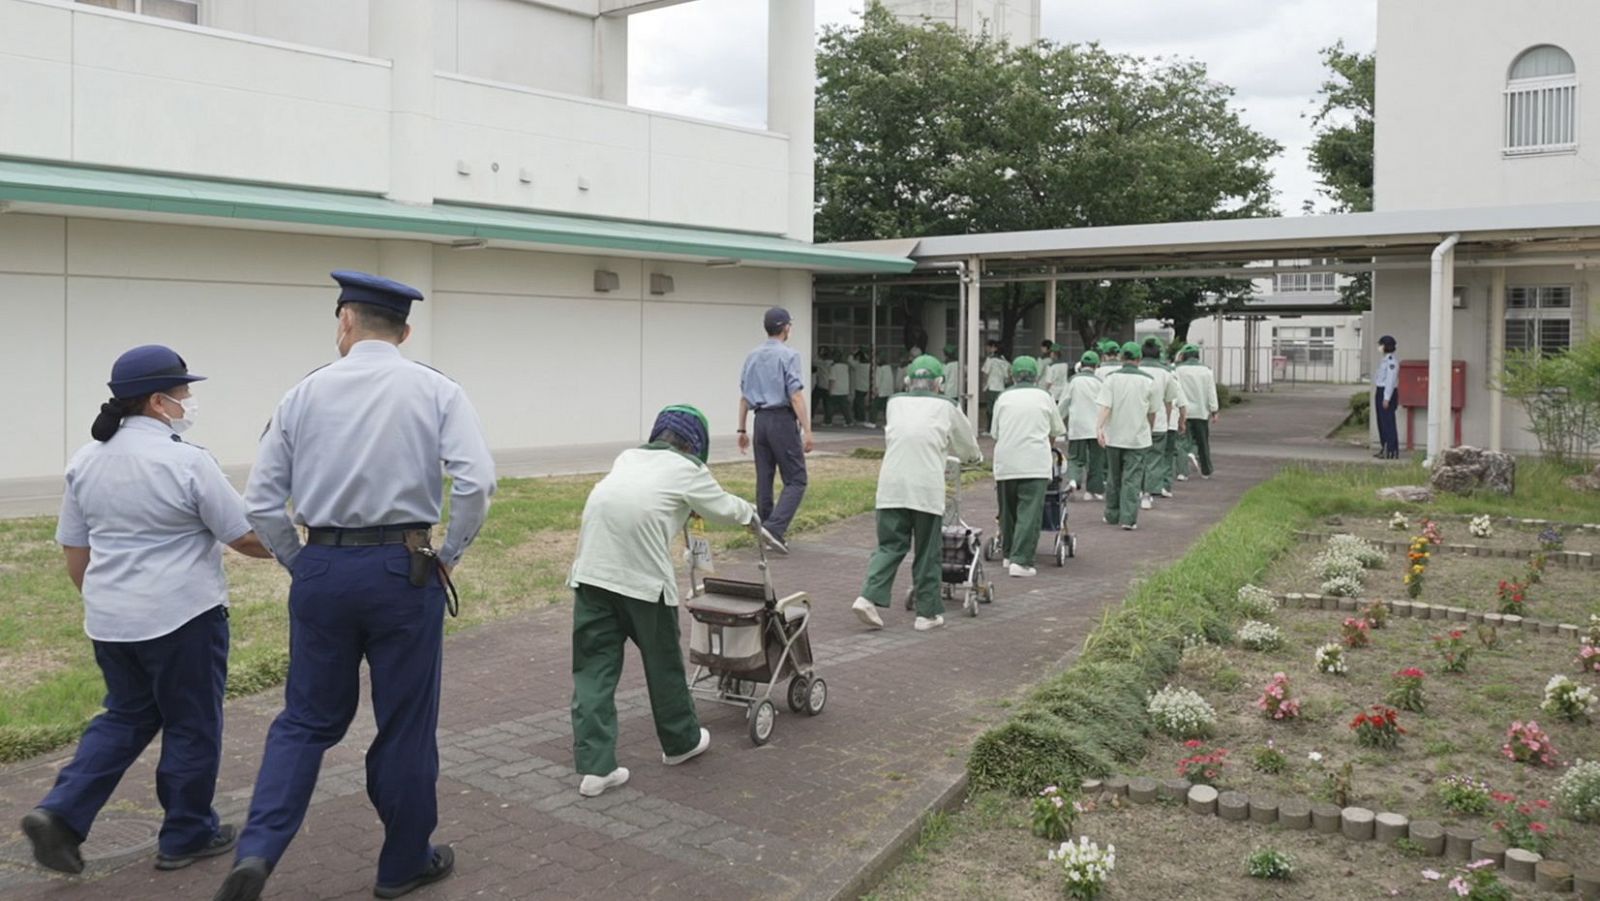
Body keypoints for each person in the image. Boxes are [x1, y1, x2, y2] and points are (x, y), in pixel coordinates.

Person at [217, 271, 497, 901]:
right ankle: (402, 864)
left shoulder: (302, 395)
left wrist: (299, 561)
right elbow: (477, 483)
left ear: (345, 321)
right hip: (404, 567)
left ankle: (258, 851)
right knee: (404, 723)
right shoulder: (437, 391)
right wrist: (448, 553)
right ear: (404, 330)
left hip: (323, 565)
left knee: (304, 722)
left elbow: (260, 503)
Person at [22, 346, 272, 878]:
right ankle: (186, 834)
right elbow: (247, 536)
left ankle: (60, 813)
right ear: (159, 401)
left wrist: (107, 600)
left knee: (126, 715)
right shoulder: (186, 460)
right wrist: (300, 545)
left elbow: (75, 552)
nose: (189, 401)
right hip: (183, 617)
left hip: (111, 621)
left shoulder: (85, 461)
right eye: (183, 393)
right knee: (192, 724)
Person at [568, 406, 760, 798]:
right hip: (642, 582)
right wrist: (752, 515)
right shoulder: (689, 469)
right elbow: (723, 507)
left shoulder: (628, 457)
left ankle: (595, 768)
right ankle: (681, 741)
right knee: (663, 665)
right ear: (695, 446)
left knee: (593, 671)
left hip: (591, 572)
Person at [851, 355, 982, 632]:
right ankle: (927, 613)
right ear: (939, 383)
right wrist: (974, 458)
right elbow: (967, 444)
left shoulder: (894, 403)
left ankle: (867, 597)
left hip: (890, 486)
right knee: (927, 552)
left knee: (889, 546)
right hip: (925, 489)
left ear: (909, 381)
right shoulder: (947, 406)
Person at [737, 307, 812, 549]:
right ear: (785, 327)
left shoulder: (753, 356)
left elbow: (744, 396)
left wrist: (741, 430)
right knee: (797, 479)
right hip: (781, 419)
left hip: (760, 420)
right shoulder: (789, 355)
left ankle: (764, 529)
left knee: (764, 476)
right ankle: (774, 528)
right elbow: (796, 395)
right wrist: (808, 430)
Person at [989, 357, 1066, 578]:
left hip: (1005, 462)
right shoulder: (1045, 397)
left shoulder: (1003, 398)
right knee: (1029, 513)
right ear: (1035, 376)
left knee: (1007, 511)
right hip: (1034, 463)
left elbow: (995, 433)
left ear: (1012, 375)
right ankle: (1021, 561)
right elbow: (1055, 430)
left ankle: (1007, 554)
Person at [1097, 342, 1160, 531]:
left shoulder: (1111, 379)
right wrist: (1150, 427)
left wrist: (1099, 427)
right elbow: (1153, 411)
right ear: (1139, 359)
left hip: (1114, 436)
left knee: (1113, 476)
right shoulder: (1149, 381)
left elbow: (1105, 406)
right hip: (1137, 438)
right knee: (1132, 479)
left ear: (1122, 359)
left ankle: (1111, 514)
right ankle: (1128, 519)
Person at [1137, 338, 1179, 509]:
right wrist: (1168, 420)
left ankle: (1137, 490)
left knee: (1138, 458)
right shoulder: (1166, 373)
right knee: (1155, 458)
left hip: (1137, 422)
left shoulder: (1137, 370)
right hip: (1159, 421)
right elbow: (1170, 401)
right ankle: (1149, 493)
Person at [1061, 350, 1107, 501]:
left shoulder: (1073, 381)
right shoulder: (1100, 383)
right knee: (1096, 459)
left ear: (1081, 365)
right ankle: (1093, 491)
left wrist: (1057, 420)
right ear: (1096, 366)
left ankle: (1073, 480)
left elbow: (1064, 402)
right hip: (1096, 427)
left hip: (1077, 426)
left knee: (1075, 457)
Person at [1174, 345, 1219, 478]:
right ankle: (1206, 470)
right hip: (1201, 411)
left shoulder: (1178, 370)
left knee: (1182, 441)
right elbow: (1211, 392)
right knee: (1203, 442)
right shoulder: (1207, 371)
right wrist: (1214, 410)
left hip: (1183, 411)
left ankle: (1182, 472)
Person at [1374, 335, 1400, 459]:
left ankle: (1391, 450)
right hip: (1380, 391)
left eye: (1381, 344)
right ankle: (1384, 447)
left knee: (1388, 422)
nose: (1379, 347)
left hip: (1386, 392)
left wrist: (1386, 398)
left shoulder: (1391, 362)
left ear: (1386, 346)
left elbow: (1390, 381)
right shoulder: (1384, 360)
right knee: (1381, 422)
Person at [980, 341, 1009, 431]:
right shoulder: (1004, 361)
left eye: (990, 347)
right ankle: (999, 428)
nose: (988, 349)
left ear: (995, 348)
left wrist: (984, 384)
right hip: (1001, 388)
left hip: (991, 387)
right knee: (999, 409)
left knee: (990, 409)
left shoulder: (990, 359)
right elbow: (1007, 376)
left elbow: (985, 373)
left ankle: (989, 429)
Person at [827, 352, 854, 426]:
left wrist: (830, 390)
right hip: (844, 389)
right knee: (845, 408)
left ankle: (828, 421)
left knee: (830, 407)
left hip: (835, 390)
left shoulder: (833, 367)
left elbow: (832, 379)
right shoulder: (845, 366)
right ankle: (849, 421)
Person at [850, 349, 872, 428]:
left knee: (859, 404)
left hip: (859, 387)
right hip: (866, 387)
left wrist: (853, 353)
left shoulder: (857, 365)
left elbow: (849, 360)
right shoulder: (869, 365)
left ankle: (861, 419)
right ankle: (858, 418)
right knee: (857, 402)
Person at [874, 353, 897, 426]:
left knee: (875, 406)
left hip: (881, 391)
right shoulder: (888, 367)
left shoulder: (879, 368)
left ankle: (872, 422)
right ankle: (888, 422)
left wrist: (876, 389)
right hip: (888, 390)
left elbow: (878, 379)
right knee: (886, 408)